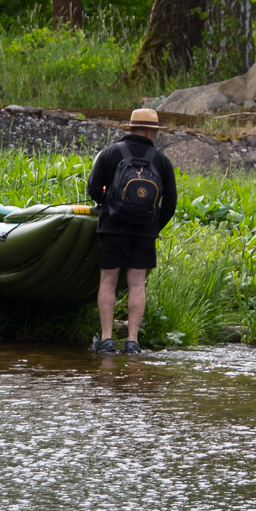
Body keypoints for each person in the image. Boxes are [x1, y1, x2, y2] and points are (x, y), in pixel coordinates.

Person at [86, 108, 177, 354]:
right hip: (144, 232)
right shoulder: (161, 160)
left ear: (132, 128)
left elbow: (93, 189)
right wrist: (153, 226)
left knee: (108, 281)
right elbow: (170, 203)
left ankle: (106, 340)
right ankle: (133, 342)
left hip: (112, 227)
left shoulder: (110, 153)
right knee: (137, 284)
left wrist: (107, 206)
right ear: (149, 131)